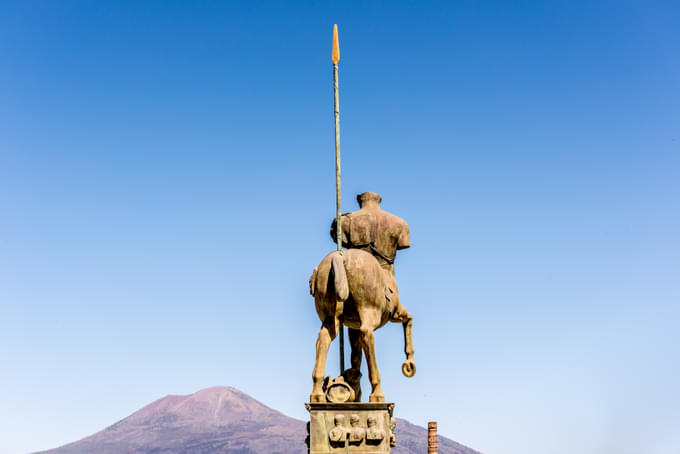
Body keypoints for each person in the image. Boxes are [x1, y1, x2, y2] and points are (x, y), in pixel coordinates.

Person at [330, 192, 410, 278]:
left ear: (360, 201)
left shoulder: (343, 221)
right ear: (379, 201)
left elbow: (339, 239)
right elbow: (404, 244)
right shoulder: (399, 223)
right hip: (385, 274)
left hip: (353, 271)